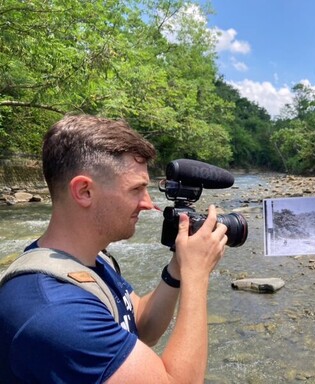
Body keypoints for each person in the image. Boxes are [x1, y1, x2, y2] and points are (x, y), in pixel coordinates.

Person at [0, 114, 228, 383]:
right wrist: (196, 275)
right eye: (136, 190)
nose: (148, 204)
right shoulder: (55, 310)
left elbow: (141, 325)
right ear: (84, 191)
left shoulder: (89, 261)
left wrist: (177, 269)